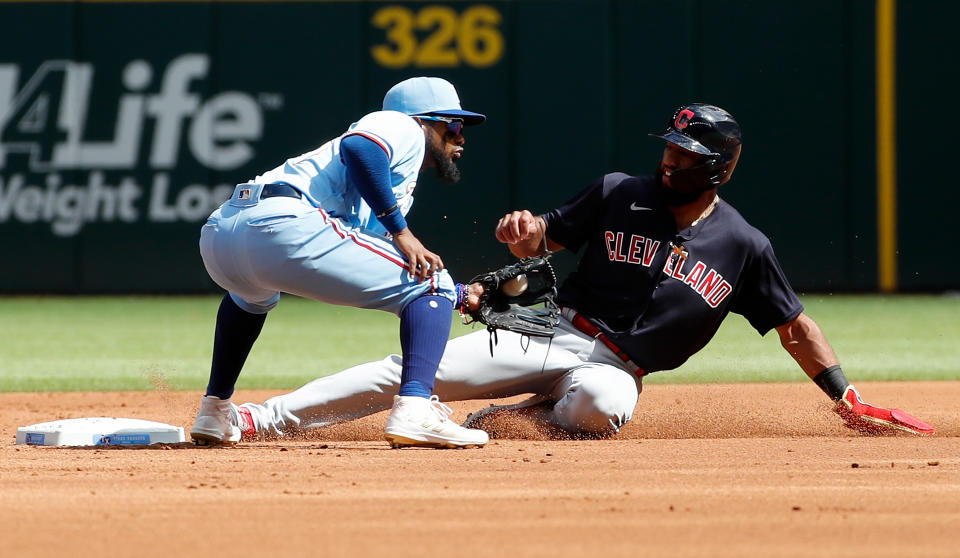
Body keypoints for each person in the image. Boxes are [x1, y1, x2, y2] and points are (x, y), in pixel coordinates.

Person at [224, 103, 932, 440]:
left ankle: (521, 416)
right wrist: (526, 233)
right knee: (411, 368)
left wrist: (847, 396)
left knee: (599, 407)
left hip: (619, 368)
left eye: (686, 156)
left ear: (718, 166)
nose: (670, 160)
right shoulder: (621, 190)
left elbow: (794, 326)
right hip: (549, 329)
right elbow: (543, 243)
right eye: (670, 148)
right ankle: (262, 418)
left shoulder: (745, 246)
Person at [189, 76, 491, 449]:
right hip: (283, 221)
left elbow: (367, 254)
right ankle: (415, 410)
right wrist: (403, 234)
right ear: (425, 120)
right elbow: (361, 148)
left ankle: (214, 412)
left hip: (223, 234)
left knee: (250, 298)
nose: (460, 137)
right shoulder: (403, 126)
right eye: (453, 124)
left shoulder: (394, 173)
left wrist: (461, 296)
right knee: (433, 282)